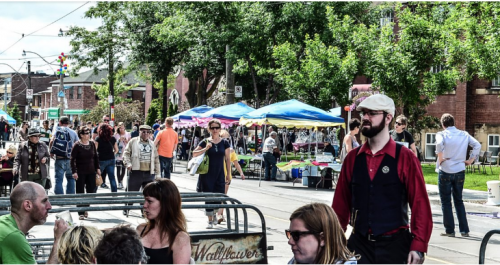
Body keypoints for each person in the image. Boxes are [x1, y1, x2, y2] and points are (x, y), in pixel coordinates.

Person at [332, 94, 432, 264]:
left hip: (395, 247)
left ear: (388, 118)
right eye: (363, 113)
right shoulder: (352, 159)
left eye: (372, 113)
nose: (365, 118)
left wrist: (418, 245)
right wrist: (333, 242)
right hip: (358, 245)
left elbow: (420, 204)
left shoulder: (405, 157)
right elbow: (340, 206)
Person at [436, 113, 481, 237]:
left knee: (446, 202)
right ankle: (464, 230)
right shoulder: (464, 134)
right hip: (460, 169)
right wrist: (471, 160)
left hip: (446, 169)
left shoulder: (441, 134)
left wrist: (440, 158)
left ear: (443, 124)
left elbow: (439, 144)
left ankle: (450, 230)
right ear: (453, 123)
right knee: (458, 200)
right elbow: (477, 145)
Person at [0, 182, 68, 264]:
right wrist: (59, 240)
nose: (49, 206)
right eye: (44, 201)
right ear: (28, 205)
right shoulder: (13, 237)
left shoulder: (4, 222)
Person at [136, 179, 192, 264]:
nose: (144, 205)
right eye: (145, 200)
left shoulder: (180, 238)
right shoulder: (140, 230)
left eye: (149, 201)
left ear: (165, 203)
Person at [287, 203, 358, 264]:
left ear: (323, 239)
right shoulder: (296, 261)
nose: (290, 241)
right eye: (290, 234)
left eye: (296, 235)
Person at [192, 119, 231, 229]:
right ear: (209, 129)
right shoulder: (205, 141)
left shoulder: (225, 142)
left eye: (217, 128)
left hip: (219, 173)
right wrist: (205, 148)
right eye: (212, 128)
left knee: (219, 197)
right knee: (208, 196)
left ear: (220, 129)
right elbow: (194, 154)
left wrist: (228, 174)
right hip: (207, 174)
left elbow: (228, 159)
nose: (215, 130)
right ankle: (210, 220)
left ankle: (214, 213)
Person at [123, 125, 161, 216]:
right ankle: (126, 208)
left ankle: (144, 210)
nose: (145, 134)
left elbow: (156, 159)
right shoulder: (133, 141)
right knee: (131, 192)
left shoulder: (152, 144)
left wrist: (158, 173)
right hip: (136, 171)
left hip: (149, 173)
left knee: (148, 194)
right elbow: (126, 154)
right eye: (143, 132)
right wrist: (128, 164)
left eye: (148, 132)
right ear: (139, 132)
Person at [71, 127, 101, 220]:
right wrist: (74, 171)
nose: (88, 135)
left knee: (91, 191)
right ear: (81, 135)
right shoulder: (77, 145)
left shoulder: (92, 144)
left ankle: (86, 208)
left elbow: (95, 157)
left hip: (91, 171)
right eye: (86, 133)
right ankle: (80, 212)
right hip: (80, 172)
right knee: (80, 192)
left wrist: (98, 168)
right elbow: (72, 159)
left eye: (89, 133)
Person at [217, 130, 245, 224]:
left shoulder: (231, 151)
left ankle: (220, 214)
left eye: (227, 138)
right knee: (216, 195)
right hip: (216, 175)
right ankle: (216, 213)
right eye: (224, 138)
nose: (226, 140)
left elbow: (236, 163)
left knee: (223, 196)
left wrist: (241, 173)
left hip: (227, 176)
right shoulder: (216, 149)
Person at [49, 116, 79, 195]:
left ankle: (59, 197)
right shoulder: (73, 132)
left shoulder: (57, 131)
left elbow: (52, 141)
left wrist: (51, 152)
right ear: (68, 123)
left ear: (60, 122)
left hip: (59, 158)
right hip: (70, 159)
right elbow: (77, 144)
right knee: (71, 178)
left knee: (59, 179)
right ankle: (70, 196)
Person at [95, 123, 119, 192]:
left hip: (101, 160)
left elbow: (94, 150)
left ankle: (93, 192)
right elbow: (116, 150)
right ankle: (114, 193)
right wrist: (112, 154)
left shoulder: (98, 138)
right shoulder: (112, 138)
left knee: (97, 176)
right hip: (111, 159)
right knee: (112, 177)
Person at [115, 122, 131, 189]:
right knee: (118, 169)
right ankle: (119, 182)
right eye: (120, 128)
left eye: (123, 127)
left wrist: (125, 140)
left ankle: (121, 180)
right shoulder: (116, 134)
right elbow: (114, 143)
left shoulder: (128, 134)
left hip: (125, 153)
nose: (122, 129)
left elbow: (130, 143)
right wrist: (119, 140)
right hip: (118, 154)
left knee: (124, 169)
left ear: (124, 127)